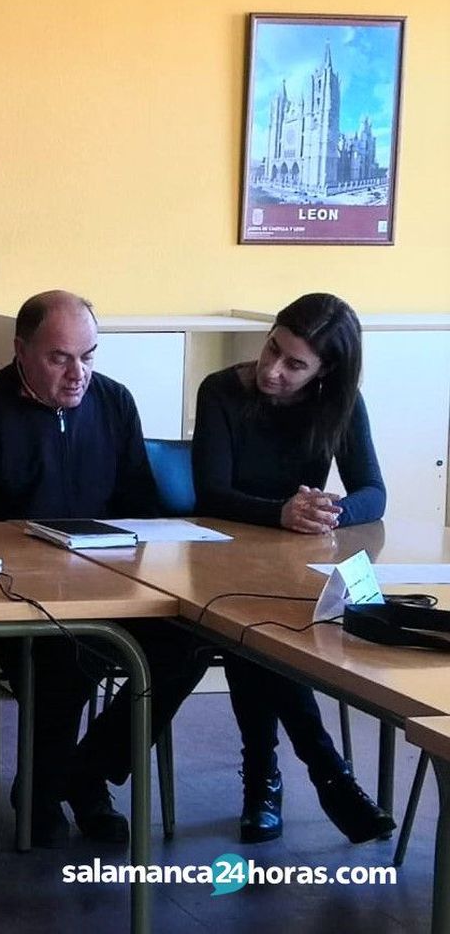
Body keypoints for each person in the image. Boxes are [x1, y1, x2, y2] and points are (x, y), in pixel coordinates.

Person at [0, 290, 208, 848]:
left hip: (113, 590)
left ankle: (81, 772)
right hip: (16, 606)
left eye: (89, 356)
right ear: (20, 352)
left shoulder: (115, 403)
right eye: (60, 358)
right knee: (70, 653)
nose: (78, 373)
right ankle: (43, 791)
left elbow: (141, 511)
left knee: (192, 643)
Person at [193, 292, 394, 845]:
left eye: (295, 365)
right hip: (219, 559)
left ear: (325, 371)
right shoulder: (221, 391)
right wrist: (280, 513)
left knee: (259, 638)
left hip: (291, 566)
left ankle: (266, 780)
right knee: (254, 636)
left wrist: (330, 512)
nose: (272, 370)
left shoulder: (342, 403)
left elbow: (373, 492)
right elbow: (211, 494)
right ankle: (323, 776)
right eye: (272, 348)